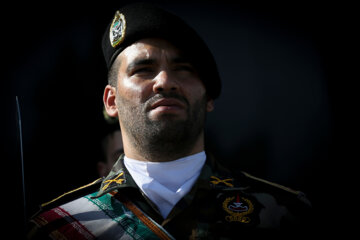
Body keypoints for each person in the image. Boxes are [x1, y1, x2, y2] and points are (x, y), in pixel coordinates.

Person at [27, 3, 312, 239]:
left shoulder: (286, 216)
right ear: (111, 101)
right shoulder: (58, 229)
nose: (165, 81)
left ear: (209, 97)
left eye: (183, 69)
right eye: (144, 70)